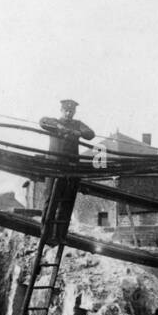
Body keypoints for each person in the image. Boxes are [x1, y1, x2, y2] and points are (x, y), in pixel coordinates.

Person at [37, 99, 94, 237]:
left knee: (66, 202)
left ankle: (60, 235)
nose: (69, 113)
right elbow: (42, 121)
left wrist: (78, 133)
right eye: (66, 111)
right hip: (54, 167)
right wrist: (58, 126)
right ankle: (46, 233)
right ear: (61, 111)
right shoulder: (54, 122)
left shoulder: (77, 124)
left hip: (71, 168)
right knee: (50, 199)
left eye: (71, 111)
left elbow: (90, 133)